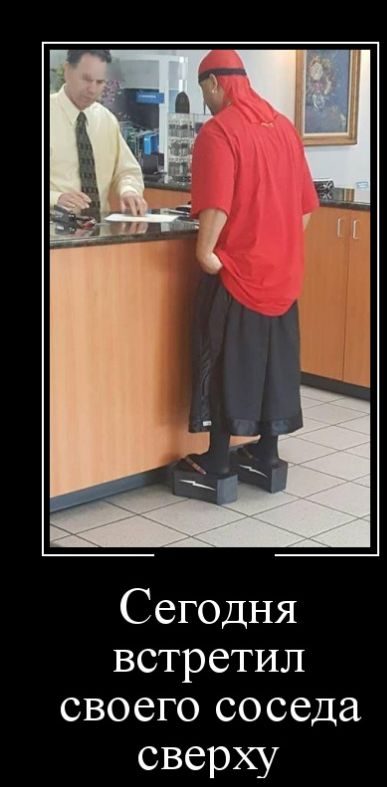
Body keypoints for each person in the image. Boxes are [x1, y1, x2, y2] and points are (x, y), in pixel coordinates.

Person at [175, 50, 319, 499]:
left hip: (237, 274)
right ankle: (266, 458)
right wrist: (277, 247)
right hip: (282, 276)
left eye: (204, 90)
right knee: (274, 364)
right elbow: (305, 208)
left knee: (225, 363)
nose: (206, 99)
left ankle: (218, 465)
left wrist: (206, 252)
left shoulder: (220, 131)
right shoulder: (284, 128)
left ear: (215, 83)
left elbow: (216, 203)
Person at [50, 49, 147, 218]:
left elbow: (127, 171)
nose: (92, 89)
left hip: (98, 228)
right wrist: (55, 198)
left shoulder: (106, 120)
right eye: (86, 79)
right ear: (67, 70)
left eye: (100, 82)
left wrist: (129, 190)